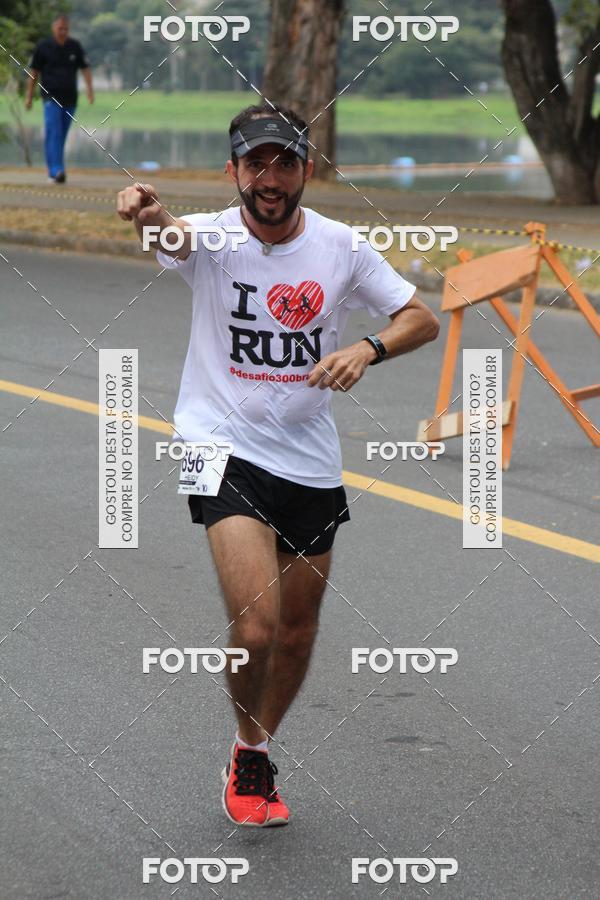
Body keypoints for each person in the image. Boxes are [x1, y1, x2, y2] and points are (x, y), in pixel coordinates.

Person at [116, 103, 440, 828]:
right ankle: (246, 741)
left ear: (307, 170)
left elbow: (422, 316)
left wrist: (367, 348)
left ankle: (256, 748)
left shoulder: (341, 247)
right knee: (257, 626)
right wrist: (145, 210)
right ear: (232, 171)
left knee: (296, 630)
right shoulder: (209, 237)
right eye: (255, 163)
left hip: (310, 459)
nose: (270, 178)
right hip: (218, 445)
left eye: (284, 163)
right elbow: (167, 233)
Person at [25, 14, 93, 183]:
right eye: (60, 29)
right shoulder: (43, 47)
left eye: (65, 29)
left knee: (61, 135)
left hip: (70, 99)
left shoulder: (75, 46)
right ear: (53, 29)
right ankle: (57, 171)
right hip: (50, 97)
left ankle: (54, 172)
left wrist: (90, 91)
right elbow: (34, 73)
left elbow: (85, 69)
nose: (63, 32)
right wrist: (29, 96)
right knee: (53, 133)